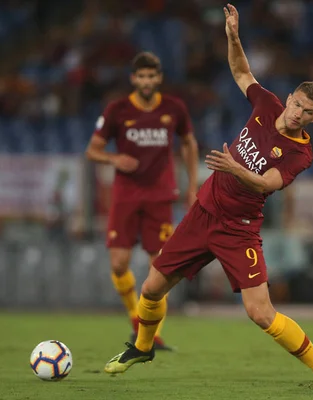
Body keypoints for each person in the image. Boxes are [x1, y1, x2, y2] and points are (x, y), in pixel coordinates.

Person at [103, 4, 313, 386]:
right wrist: (233, 37)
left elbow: (267, 184)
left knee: (260, 313)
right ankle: (143, 346)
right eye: (298, 104)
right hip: (203, 212)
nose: (299, 113)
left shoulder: (301, 152)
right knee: (151, 289)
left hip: (239, 229)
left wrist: (234, 167)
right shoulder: (267, 104)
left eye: (309, 112)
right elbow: (240, 71)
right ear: (289, 98)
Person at [85, 51, 199, 351]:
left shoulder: (174, 108)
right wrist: (114, 158)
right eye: (142, 76)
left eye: (152, 76)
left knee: (161, 267)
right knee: (119, 263)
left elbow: (188, 142)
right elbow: (92, 150)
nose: (147, 81)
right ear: (133, 79)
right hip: (126, 196)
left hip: (160, 196)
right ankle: (135, 318)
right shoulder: (117, 110)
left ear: (159, 78)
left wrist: (192, 185)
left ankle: (152, 336)